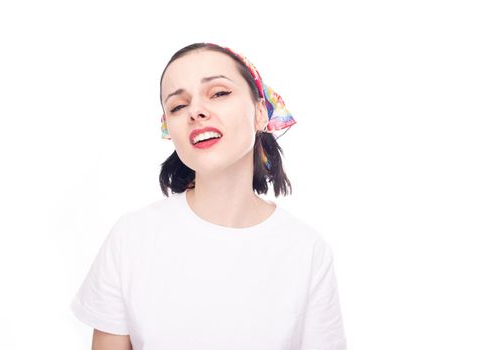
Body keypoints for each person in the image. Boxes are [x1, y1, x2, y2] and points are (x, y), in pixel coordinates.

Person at [70, 42, 347, 350]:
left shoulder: (307, 251)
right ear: (168, 129)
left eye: (219, 93)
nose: (196, 111)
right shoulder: (131, 238)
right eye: (177, 106)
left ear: (259, 111)